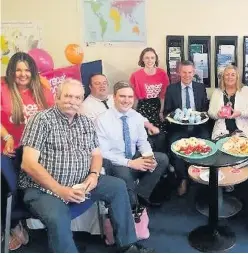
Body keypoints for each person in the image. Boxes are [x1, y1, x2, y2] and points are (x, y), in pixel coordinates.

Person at [18, 78, 153, 253]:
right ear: (57, 97)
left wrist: (94, 174)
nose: (72, 101)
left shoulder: (85, 122)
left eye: (77, 98)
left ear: (82, 101)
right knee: (58, 217)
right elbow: (28, 164)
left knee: (118, 187)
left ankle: (128, 245)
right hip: (44, 189)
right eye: (67, 96)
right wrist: (60, 190)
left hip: (81, 183)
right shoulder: (41, 120)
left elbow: (96, 154)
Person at [0, 52, 54, 250]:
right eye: (18, 70)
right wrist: (7, 137)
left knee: (35, 188)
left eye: (27, 70)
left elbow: (52, 118)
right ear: (11, 71)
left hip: (35, 150)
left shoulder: (42, 90)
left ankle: (31, 224)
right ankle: (14, 225)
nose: (23, 74)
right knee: (10, 189)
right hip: (8, 149)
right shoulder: (3, 87)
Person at [96, 81, 169, 210]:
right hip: (115, 161)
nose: (126, 100)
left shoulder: (136, 116)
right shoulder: (102, 120)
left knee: (162, 159)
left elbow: (142, 141)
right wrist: (130, 163)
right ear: (114, 97)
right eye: (122, 96)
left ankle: (139, 196)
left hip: (133, 155)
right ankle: (133, 204)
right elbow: (103, 152)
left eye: (130, 97)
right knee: (126, 177)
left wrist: (148, 156)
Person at [81, 73, 165, 152]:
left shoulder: (114, 97)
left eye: (104, 83)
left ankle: (156, 162)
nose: (102, 86)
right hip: (114, 142)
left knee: (159, 136)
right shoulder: (85, 107)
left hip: (130, 131)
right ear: (90, 87)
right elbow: (95, 134)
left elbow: (133, 114)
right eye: (97, 83)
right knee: (147, 143)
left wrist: (150, 126)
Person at [163, 60, 210, 196]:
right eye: (184, 72)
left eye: (190, 72)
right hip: (178, 127)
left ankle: (200, 175)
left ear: (194, 72)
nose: (187, 75)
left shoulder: (200, 87)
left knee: (206, 144)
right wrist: (173, 117)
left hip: (198, 127)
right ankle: (183, 178)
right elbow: (167, 111)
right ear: (179, 72)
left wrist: (202, 116)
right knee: (175, 147)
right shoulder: (171, 89)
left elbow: (204, 110)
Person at [208, 65, 248, 140]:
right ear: (223, 77)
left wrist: (240, 113)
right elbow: (210, 112)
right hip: (221, 132)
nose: (230, 77)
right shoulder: (217, 92)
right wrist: (218, 114)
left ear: (237, 77)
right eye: (227, 75)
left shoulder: (246, 90)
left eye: (233, 75)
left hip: (241, 131)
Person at [130, 47, 169, 133]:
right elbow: (135, 97)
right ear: (142, 59)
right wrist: (133, 114)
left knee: (160, 135)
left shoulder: (162, 74)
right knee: (144, 135)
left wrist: (161, 112)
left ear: (156, 59)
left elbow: (163, 95)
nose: (149, 60)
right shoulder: (135, 76)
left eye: (152, 58)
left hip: (158, 106)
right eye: (147, 58)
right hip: (143, 107)